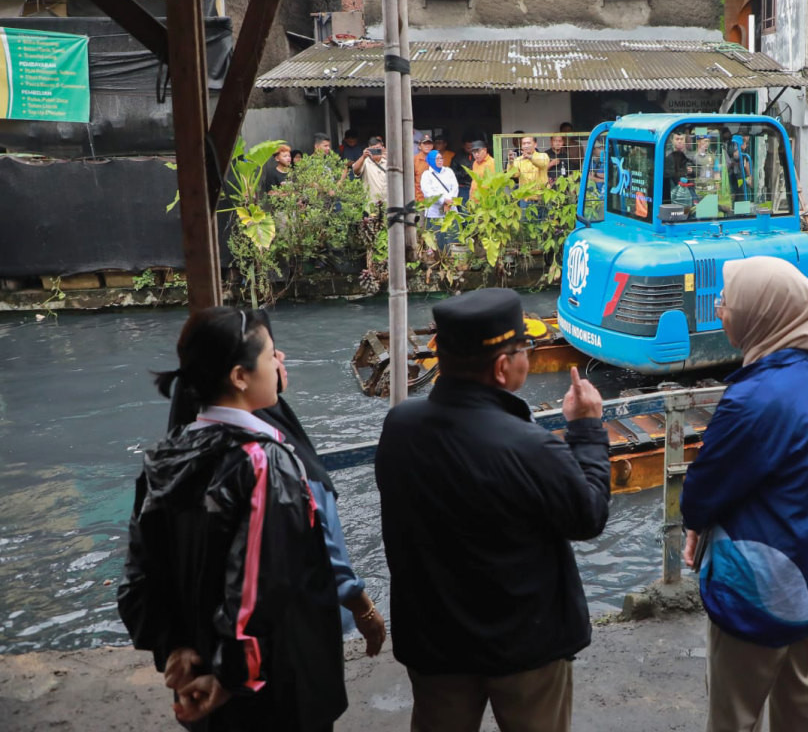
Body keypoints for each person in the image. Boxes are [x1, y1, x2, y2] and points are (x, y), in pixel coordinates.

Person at [375, 288, 610, 732]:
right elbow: (589, 515)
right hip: (524, 647)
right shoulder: (529, 446)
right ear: (503, 367)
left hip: (434, 641)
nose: (529, 356)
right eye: (525, 348)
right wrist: (586, 429)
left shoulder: (400, 426)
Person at [118, 307, 354, 731]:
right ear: (240, 376)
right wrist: (231, 676)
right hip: (270, 688)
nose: (278, 363)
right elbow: (256, 587)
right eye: (269, 357)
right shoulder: (263, 462)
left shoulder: (164, 457)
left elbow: (140, 576)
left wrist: (172, 648)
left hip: (196, 669)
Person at [681, 257, 808, 732]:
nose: (721, 310)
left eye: (728, 303)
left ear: (763, 315)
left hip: (765, 594)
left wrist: (694, 524)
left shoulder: (754, 399)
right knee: (800, 699)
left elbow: (704, 486)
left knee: (735, 713)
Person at [421, 149, 459, 247]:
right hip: (435, 213)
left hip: (450, 210)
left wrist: (450, 200)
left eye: (441, 158)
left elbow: (455, 187)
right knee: (438, 240)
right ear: (431, 160)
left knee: (453, 237)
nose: (440, 160)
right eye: (437, 158)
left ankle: (452, 260)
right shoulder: (426, 175)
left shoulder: (449, 171)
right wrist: (443, 200)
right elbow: (428, 193)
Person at [665, 131, 698, 209]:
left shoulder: (691, 155)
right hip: (675, 192)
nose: (679, 141)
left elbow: (699, 172)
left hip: (690, 191)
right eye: (677, 139)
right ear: (672, 141)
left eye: (681, 139)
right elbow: (667, 174)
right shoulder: (668, 157)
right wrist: (682, 172)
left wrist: (693, 171)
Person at [353, 136, 388, 208]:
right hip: (371, 205)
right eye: (373, 149)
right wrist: (363, 156)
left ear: (383, 148)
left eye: (378, 149)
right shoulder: (365, 162)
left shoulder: (388, 161)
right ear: (368, 149)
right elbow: (355, 170)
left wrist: (389, 157)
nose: (376, 151)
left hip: (388, 203)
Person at [414, 133, 435, 206]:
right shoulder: (414, 160)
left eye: (429, 144)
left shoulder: (437, 159)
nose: (427, 146)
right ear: (419, 146)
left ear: (432, 146)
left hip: (435, 199)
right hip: (420, 199)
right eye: (424, 144)